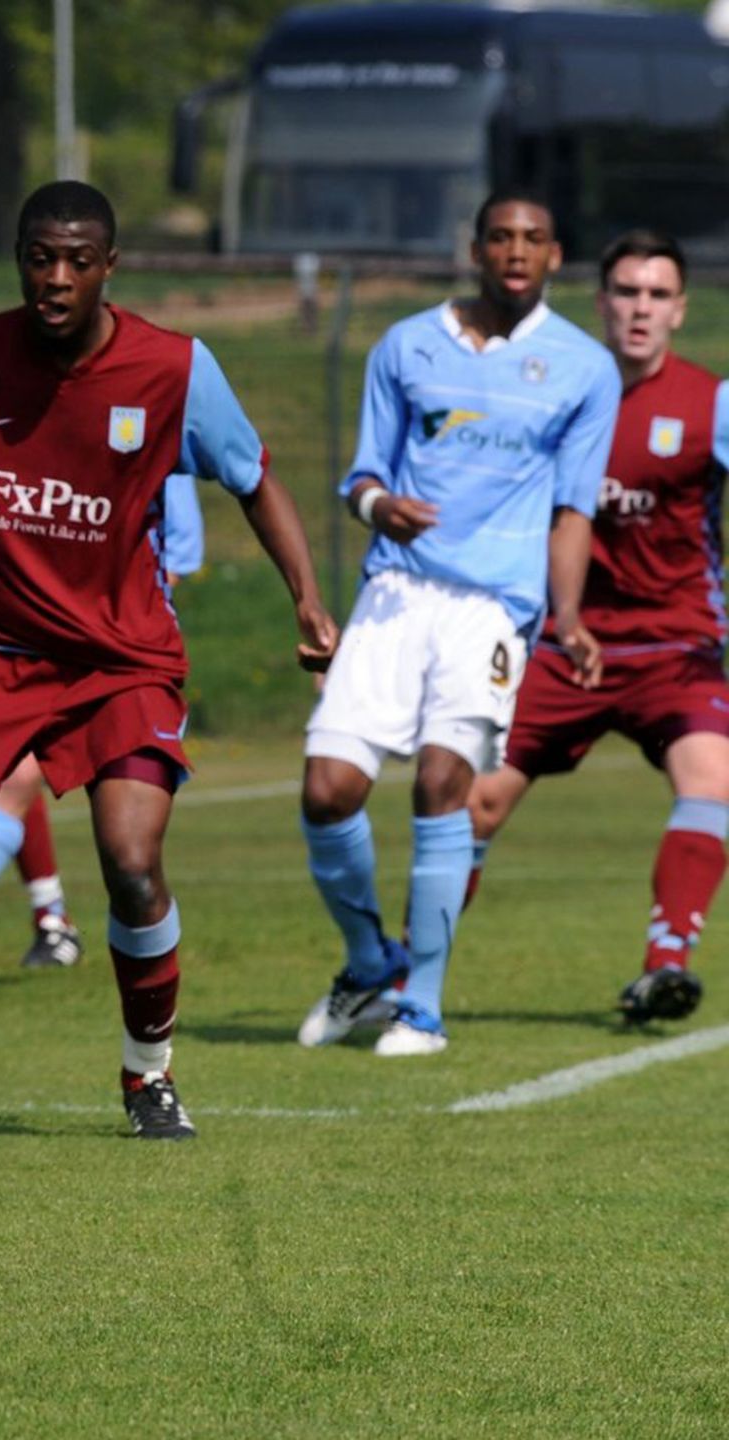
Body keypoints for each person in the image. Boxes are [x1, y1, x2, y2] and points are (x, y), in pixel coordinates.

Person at [0, 181, 337, 1141]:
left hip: (121, 656)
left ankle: (147, 1072)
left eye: (77, 261)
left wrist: (306, 597)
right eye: (38, 257)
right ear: (17, 257)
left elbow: (255, 480)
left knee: (131, 862)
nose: (55, 278)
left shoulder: (174, 368)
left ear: (108, 266)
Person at [296, 190, 619, 1057]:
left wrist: (571, 615)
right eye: (501, 237)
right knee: (327, 791)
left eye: (535, 239)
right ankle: (369, 963)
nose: (516, 251)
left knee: (443, 784)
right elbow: (363, 473)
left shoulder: (585, 368)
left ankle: (422, 1007)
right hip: (397, 593)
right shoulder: (406, 345)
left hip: (492, 609)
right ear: (473, 249)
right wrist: (377, 507)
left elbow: (572, 510)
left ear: (556, 256)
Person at [464, 230, 725, 1026]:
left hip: (678, 648)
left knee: (712, 783)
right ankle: (404, 971)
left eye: (656, 294)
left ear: (679, 308)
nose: (639, 307)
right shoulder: (557, 395)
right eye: (625, 291)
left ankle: (666, 964)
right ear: (600, 302)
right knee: (470, 803)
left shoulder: (711, 402)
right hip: (561, 646)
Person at [0, 473, 207, 985]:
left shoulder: (151, 433)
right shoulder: (0, 439)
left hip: (104, 658)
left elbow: (169, 566)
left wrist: (81, 619)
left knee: (29, 791)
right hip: (1, 651)